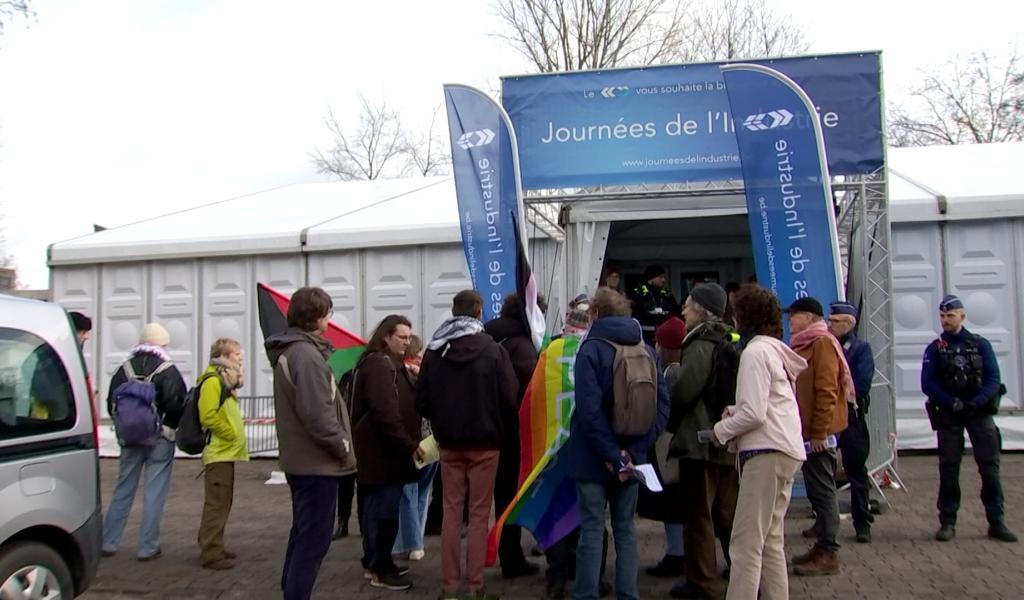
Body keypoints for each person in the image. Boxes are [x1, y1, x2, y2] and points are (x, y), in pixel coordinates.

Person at [416, 289, 519, 600]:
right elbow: (509, 396)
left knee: (451, 513)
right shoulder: (492, 349)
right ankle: (476, 586)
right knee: (478, 515)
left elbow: (420, 400)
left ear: (453, 310)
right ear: (478, 313)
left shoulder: (435, 349)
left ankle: (449, 587)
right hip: (486, 442)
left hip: (448, 443)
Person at [570, 287, 669, 600]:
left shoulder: (591, 349)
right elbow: (662, 406)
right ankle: (629, 594)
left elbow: (588, 410)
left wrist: (611, 454)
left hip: (592, 456)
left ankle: (586, 594)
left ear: (595, 313)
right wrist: (633, 452)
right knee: (626, 530)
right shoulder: (647, 349)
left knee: (591, 529)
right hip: (633, 458)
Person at [712, 285, 807, 600]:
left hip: (765, 453)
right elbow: (765, 404)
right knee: (770, 542)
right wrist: (737, 412)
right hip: (786, 449)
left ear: (744, 316)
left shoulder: (754, 353)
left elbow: (754, 414)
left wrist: (722, 429)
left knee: (745, 544)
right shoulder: (774, 350)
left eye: (736, 312)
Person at [265, 287, 357, 600]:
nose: (331, 321)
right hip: (316, 463)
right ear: (316, 317)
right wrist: (342, 446)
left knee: (303, 533)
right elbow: (318, 416)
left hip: (303, 461)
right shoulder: (305, 356)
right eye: (328, 313)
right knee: (313, 540)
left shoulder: (294, 352)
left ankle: (291, 590)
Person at [922, 294, 1017, 543]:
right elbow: (928, 383)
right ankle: (948, 522)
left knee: (990, 469)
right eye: (942, 316)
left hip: (979, 413)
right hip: (950, 414)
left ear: (962, 316)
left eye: (950, 315)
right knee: (949, 469)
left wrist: (977, 401)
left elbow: (993, 379)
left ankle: (996, 521)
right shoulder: (935, 348)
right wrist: (949, 401)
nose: (945, 320)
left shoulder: (980, 344)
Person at [666, 283, 740, 599]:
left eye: (688, 305)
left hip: (699, 441)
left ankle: (702, 583)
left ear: (701, 309)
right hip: (726, 438)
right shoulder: (730, 340)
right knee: (728, 513)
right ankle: (742, 571)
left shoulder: (699, 343)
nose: (683, 310)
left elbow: (685, 390)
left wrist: (672, 378)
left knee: (699, 515)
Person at [540, 303, 612, 600]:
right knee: (591, 516)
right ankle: (592, 578)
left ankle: (556, 578)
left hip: (553, 446)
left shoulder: (550, 353)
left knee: (557, 514)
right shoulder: (595, 351)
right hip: (587, 446)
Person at [101, 323, 187, 560]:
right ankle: (147, 547)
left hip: (129, 438)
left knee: (123, 489)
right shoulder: (167, 369)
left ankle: (109, 542)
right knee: (154, 492)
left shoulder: (124, 368)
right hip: (159, 439)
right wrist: (169, 427)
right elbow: (176, 403)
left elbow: (112, 402)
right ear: (163, 344)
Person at [351, 315, 421, 591]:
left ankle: (375, 562)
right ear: (386, 337)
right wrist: (408, 444)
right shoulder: (379, 366)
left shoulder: (382, 364)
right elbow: (385, 413)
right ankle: (381, 566)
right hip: (383, 455)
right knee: (383, 514)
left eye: (408, 337)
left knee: (374, 512)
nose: (407, 342)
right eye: (402, 337)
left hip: (378, 454)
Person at [786, 297, 852, 576]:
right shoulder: (803, 343)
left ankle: (829, 551)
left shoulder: (822, 343)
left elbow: (827, 390)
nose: (790, 320)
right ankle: (822, 545)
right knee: (815, 488)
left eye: (794, 315)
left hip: (818, 434)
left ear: (810, 317)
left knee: (824, 491)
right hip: (806, 431)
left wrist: (820, 432)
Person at [484, 294, 542, 579]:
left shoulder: (488, 338)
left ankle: (501, 555)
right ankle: (513, 558)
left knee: (499, 495)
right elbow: (532, 391)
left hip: (487, 430)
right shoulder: (522, 346)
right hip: (515, 432)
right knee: (516, 494)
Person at [641, 316, 687, 579]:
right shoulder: (684, 368)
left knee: (673, 500)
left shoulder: (672, 373)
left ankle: (677, 553)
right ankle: (679, 551)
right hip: (678, 443)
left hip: (670, 444)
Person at [196, 337, 248, 570]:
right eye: (236, 354)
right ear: (225, 357)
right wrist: (229, 433)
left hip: (226, 453)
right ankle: (211, 551)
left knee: (222, 503)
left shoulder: (224, 380)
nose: (241, 357)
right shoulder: (213, 381)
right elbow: (207, 415)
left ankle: (215, 544)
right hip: (219, 452)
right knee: (216, 504)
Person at [827, 302, 876, 543]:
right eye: (830, 321)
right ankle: (823, 521)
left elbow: (862, 384)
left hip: (850, 415)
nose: (830, 325)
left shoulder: (859, 349)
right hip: (827, 414)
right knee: (821, 468)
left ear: (849, 323)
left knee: (856, 469)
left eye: (836, 321)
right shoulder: (825, 345)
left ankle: (862, 521)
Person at [393, 334, 438, 562]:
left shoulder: (398, 373)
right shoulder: (429, 373)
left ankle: (411, 543)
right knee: (422, 493)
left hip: (411, 442)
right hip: (431, 441)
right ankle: (416, 540)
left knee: (407, 494)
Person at [333, 369, 357, 541]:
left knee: (364, 484)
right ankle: (343, 522)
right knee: (345, 483)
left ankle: (364, 523)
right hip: (347, 435)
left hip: (361, 436)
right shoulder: (346, 376)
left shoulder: (367, 373)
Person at [629, 264, 680, 345]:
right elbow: (633, 314)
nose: (663, 280)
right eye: (660, 277)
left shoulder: (666, 293)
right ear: (651, 278)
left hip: (664, 337)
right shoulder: (638, 293)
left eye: (664, 277)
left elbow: (676, 311)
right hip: (644, 338)